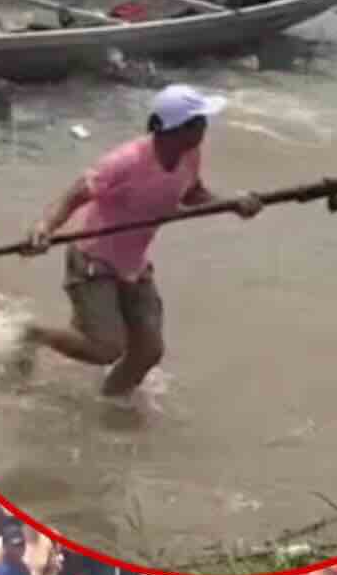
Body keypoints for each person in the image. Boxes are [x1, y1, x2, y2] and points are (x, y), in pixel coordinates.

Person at [16, 85, 262, 416]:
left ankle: (109, 406)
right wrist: (44, 228)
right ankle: (33, 333)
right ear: (180, 128)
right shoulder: (126, 161)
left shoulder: (189, 154)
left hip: (133, 263)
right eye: (201, 121)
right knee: (106, 347)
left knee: (148, 351)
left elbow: (192, 194)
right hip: (92, 258)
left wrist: (232, 203)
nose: (206, 127)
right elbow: (75, 194)